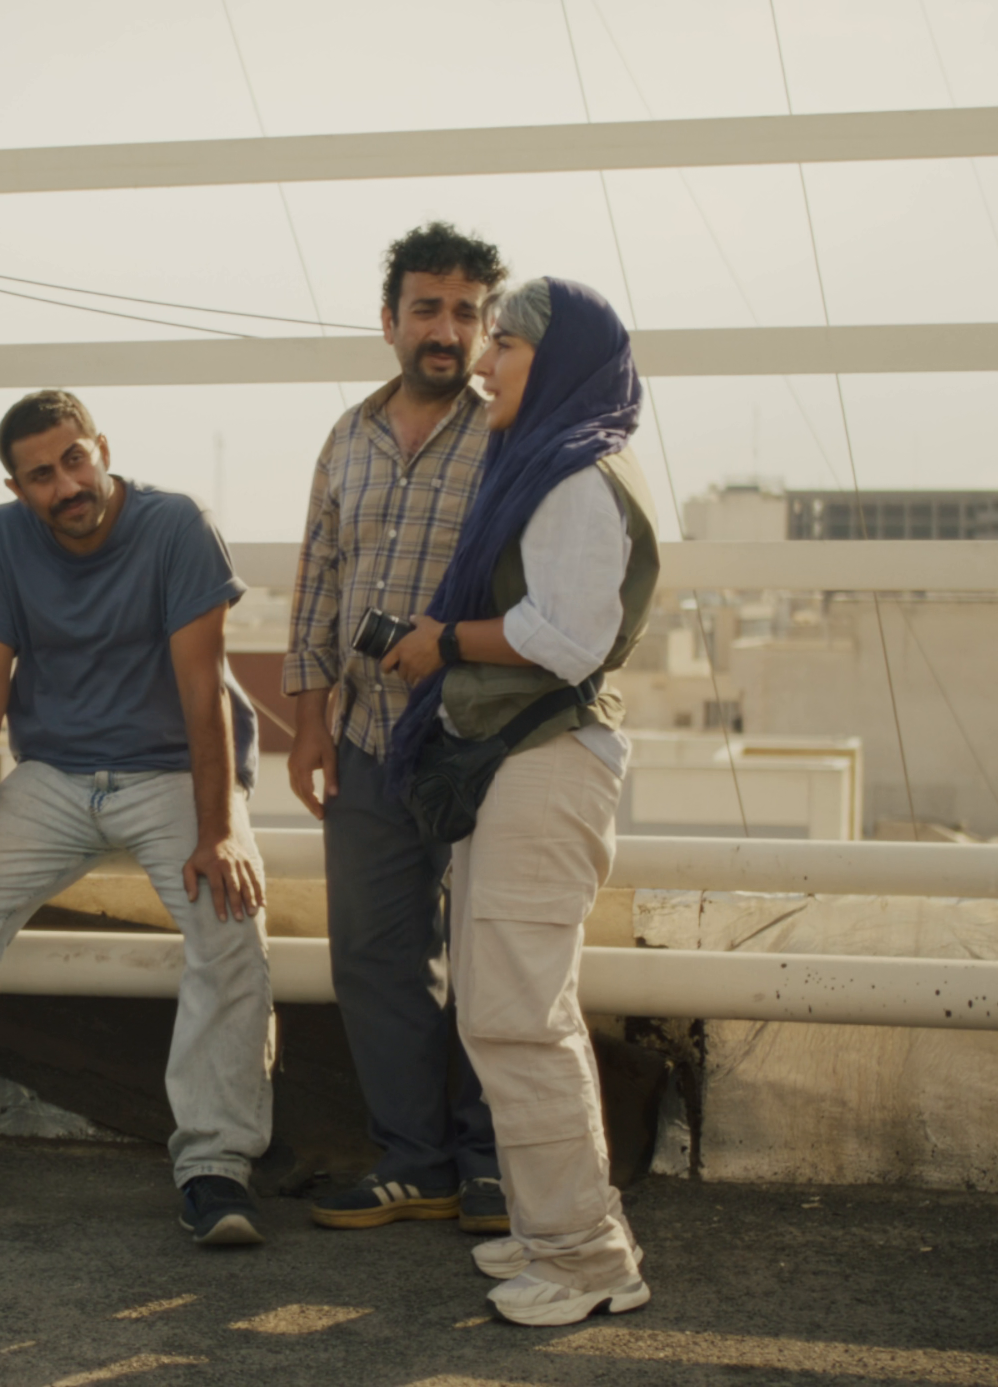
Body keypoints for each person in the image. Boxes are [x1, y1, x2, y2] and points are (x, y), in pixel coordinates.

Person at [0, 389, 273, 1246]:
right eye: (41, 475)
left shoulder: (178, 525)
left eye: (74, 459)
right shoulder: (2, 538)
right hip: (55, 776)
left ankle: (216, 1166)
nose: (66, 484)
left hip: (172, 770)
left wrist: (218, 829)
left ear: (101, 447)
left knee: (230, 925)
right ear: (16, 486)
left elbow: (202, 689)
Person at [379, 277, 659, 1327]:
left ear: (562, 359)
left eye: (505, 345)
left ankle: (587, 1258)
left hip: (546, 762)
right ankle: (554, 1229)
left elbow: (566, 635)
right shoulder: (555, 458)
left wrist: (443, 641)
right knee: (511, 1010)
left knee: (517, 1016)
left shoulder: (575, 474)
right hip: (526, 761)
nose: (485, 363)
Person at [281, 222, 512, 1235]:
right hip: (367, 740)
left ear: (485, 328)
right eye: (427, 308)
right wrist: (308, 725)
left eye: (466, 313)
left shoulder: (508, 439)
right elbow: (317, 584)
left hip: (480, 742)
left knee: (490, 955)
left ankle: (495, 1164)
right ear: (390, 320)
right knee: (373, 958)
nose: (445, 330)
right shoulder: (348, 437)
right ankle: (416, 1161)